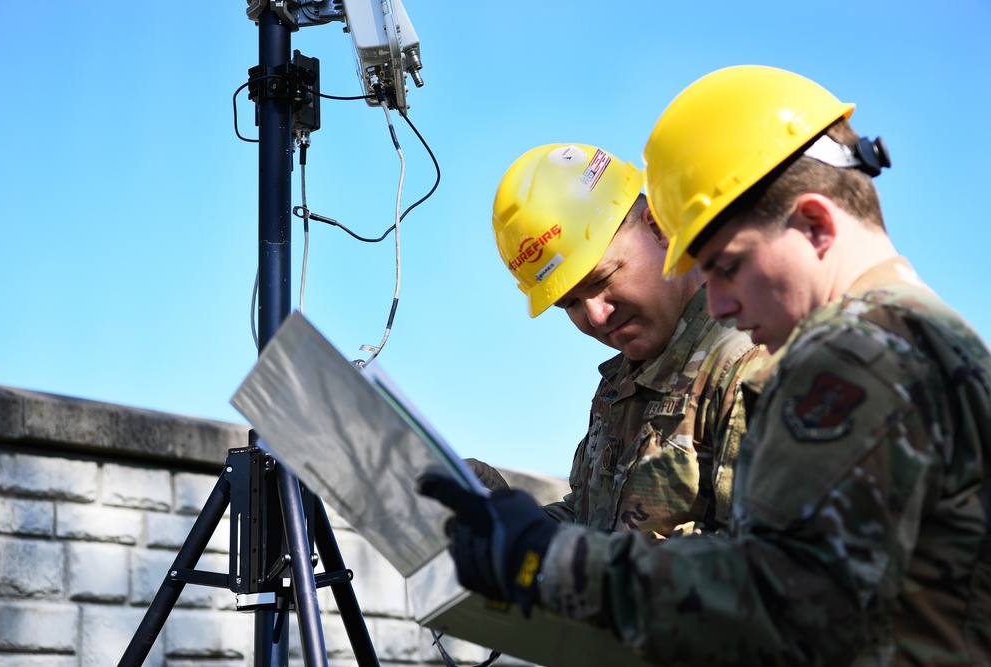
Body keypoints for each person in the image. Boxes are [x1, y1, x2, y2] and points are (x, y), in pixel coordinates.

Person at [419, 65, 991, 665]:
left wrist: (550, 563)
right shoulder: (914, 335)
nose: (716, 301)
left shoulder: (856, 354)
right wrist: (514, 522)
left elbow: (782, 605)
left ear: (817, 224)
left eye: (727, 265)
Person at [474, 142, 767, 539]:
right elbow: (592, 522)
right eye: (570, 303)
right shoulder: (622, 386)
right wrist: (511, 524)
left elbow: (769, 567)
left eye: (602, 279)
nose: (596, 315)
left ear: (658, 228)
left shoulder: (748, 363)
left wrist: (586, 570)